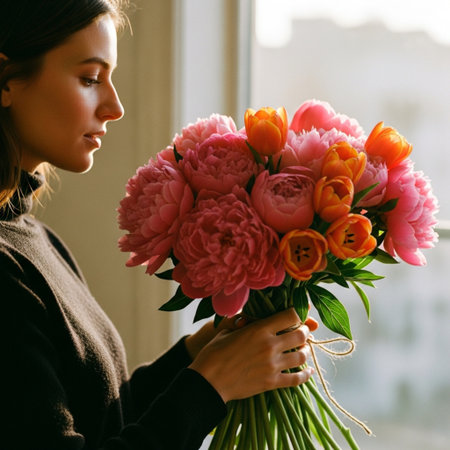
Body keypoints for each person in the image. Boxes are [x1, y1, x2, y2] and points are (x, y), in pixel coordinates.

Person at [0, 1, 316, 449]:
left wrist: (203, 353)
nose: (115, 106)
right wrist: (211, 385)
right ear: (7, 81)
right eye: (90, 78)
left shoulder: (36, 240)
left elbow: (102, 417)